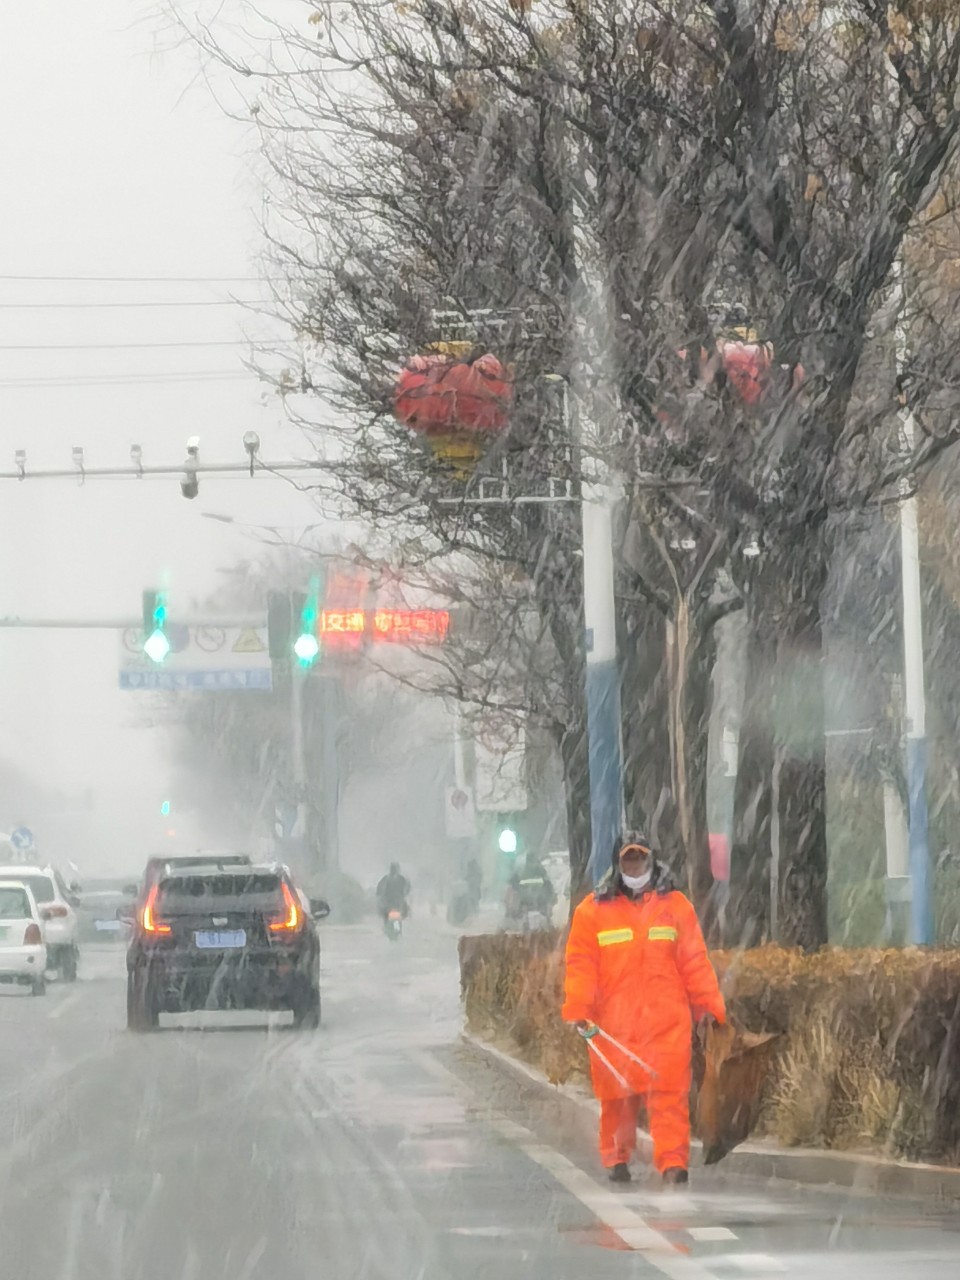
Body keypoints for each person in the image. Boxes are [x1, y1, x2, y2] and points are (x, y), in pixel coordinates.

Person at [562, 831, 725, 1186]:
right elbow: (581, 964)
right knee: (616, 1099)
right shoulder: (592, 912)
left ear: (651, 860)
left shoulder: (676, 907)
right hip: (613, 1026)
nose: (634, 865)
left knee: (670, 1097)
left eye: (639, 858)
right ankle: (617, 1157)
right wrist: (578, 1007)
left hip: (667, 1023)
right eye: (628, 859)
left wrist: (708, 1007)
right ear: (618, 864)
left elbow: (694, 961)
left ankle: (673, 1164)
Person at [505, 852, 556, 924]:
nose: (532, 864)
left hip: (534, 900)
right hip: (529, 900)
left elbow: (548, 886)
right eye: (531, 861)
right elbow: (512, 886)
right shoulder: (525, 870)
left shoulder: (538, 870)